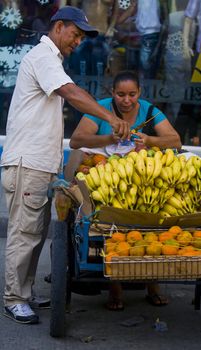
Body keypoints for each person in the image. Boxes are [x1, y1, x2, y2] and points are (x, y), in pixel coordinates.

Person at [0, 5, 130, 325]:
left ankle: (24, 294)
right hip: (27, 163)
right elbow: (71, 92)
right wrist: (110, 117)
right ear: (58, 27)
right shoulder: (43, 57)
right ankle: (14, 298)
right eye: (75, 34)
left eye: (81, 38)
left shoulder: (52, 60)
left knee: (35, 232)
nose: (77, 42)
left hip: (39, 164)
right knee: (25, 233)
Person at [69, 70, 182, 310]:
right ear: (113, 93)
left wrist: (149, 141)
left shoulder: (150, 111)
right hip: (105, 177)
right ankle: (115, 289)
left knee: (151, 223)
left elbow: (175, 141)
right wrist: (109, 139)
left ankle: (153, 285)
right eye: (121, 94)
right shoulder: (100, 108)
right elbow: (76, 140)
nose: (126, 100)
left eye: (132, 94)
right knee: (114, 224)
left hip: (143, 177)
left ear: (139, 93)